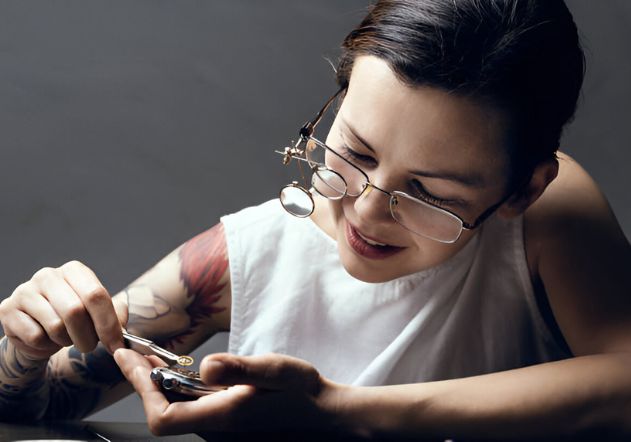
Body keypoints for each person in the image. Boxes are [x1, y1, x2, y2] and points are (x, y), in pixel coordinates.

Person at [1, 0, 630, 439]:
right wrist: (25, 349)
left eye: (428, 192)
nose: (365, 209)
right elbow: (44, 403)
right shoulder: (244, 257)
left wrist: (343, 411)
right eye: (354, 151)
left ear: (524, 189)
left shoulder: (550, 215)